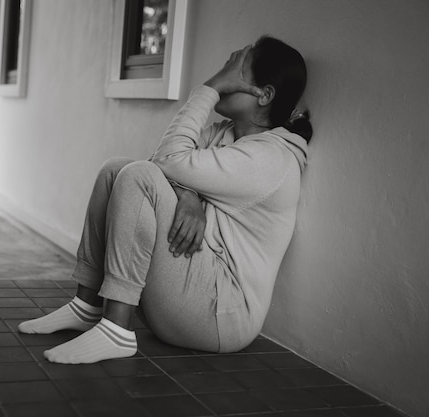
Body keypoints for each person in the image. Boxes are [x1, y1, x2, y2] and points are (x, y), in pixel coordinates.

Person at [18, 36, 312, 364]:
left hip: (221, 316)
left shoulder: (271, 158)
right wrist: (187, 195)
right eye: (223, 69)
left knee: (137, 176)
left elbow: (162, 166)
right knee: (117, 170)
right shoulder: (223, 132)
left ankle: (116, 331)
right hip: (192, 290)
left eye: (234, 71)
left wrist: (210, 87)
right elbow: (158, 162)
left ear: (265, 94)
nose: (224, 76)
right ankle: (86, 307)